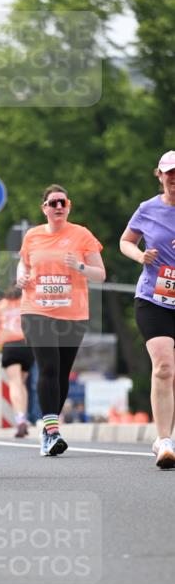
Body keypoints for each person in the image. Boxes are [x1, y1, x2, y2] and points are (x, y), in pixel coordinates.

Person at [17, 184, 105, 457]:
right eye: (53, 203)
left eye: (62, 203)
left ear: (69, 206)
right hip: (36, 310)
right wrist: (21, 276)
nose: (58, 207)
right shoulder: (32, 236)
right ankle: (53, 431)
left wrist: (78, 266)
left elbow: (100, 274)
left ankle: (47, 428)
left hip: (72, 313)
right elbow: (24, 263)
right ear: (44, 208)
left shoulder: (82, 235)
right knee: (49, 367)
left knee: (62, 372)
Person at [120, 149, 175, 470]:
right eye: (168, 173)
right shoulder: (147, 209)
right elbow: (125, 241)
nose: (173, 179)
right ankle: (164, 439)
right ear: (159, 175)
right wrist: (139, 256)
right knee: (164, 367)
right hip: (154, 299)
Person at [0, 285, 34, 437]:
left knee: (14, 383)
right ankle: (24, 417)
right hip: (27, 344)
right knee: (22, 383)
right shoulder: (27, 300)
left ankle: (20, 418)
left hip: (9, 345)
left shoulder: (1, 305)